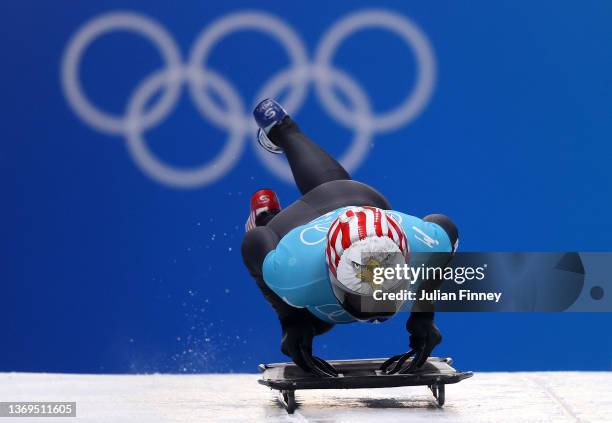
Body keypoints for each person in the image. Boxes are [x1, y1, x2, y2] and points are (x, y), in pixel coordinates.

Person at [241, 99, 458, 377]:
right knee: (316, 322)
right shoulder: (295, 270)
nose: (378, 308)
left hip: (358, 199)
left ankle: (284, 129)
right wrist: (291, 320)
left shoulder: (423, 246)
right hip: (298, 225)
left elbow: (446, 230)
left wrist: (423, 315)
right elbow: (255, 242)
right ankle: (266, 213)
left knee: (334, 188)